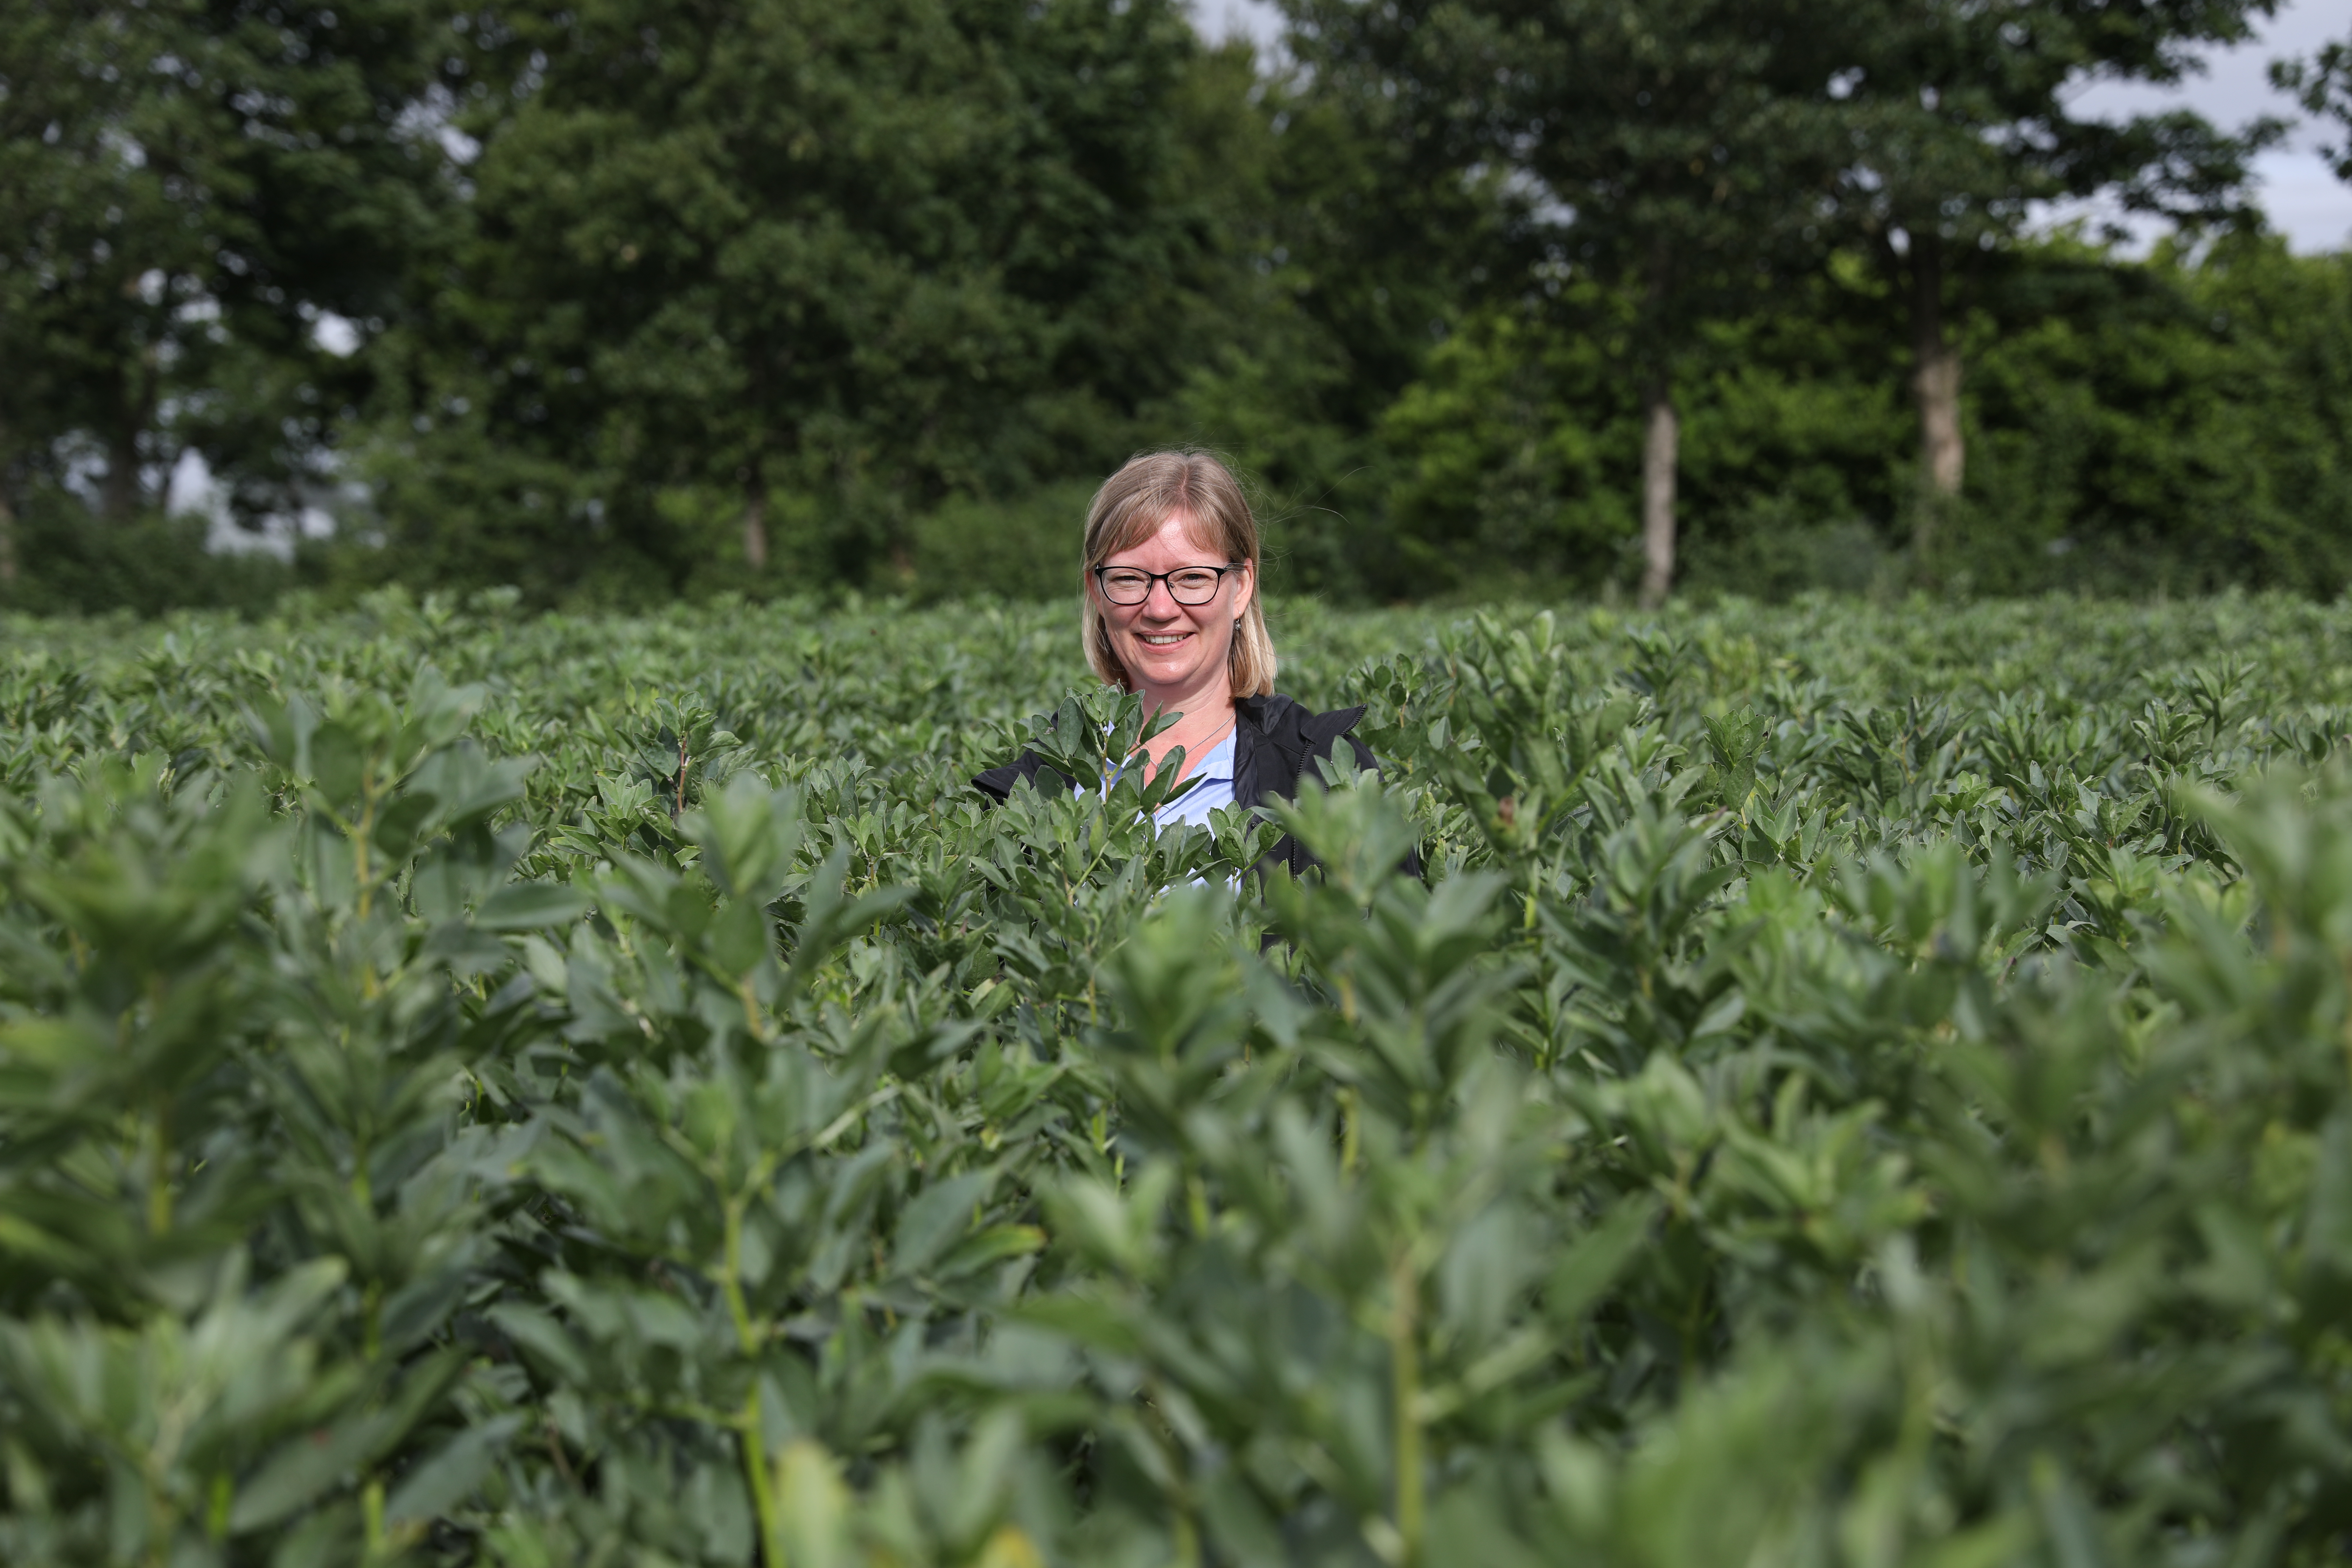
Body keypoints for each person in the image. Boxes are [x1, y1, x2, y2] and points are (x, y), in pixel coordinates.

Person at [973, 449, 1390, 880]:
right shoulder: (1037, 781)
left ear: (1241, 587)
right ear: (1096, 592)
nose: (1159, 609)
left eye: (1192, 577)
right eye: (1128, 578)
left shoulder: (1323, 771)